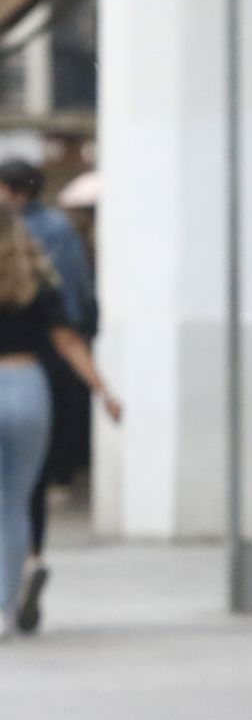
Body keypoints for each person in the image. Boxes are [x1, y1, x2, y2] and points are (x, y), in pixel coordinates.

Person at [0, 200, 120, 639]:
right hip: (28, 385)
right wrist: (103, 391)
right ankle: (6, 606)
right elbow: (68, 341)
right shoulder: (37, 282)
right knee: (15, 503)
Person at [0, 160, 98, 601]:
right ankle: (28, 562)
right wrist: (100, 386)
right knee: (24, 490)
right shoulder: (53, 238)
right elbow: (76, 307)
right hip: (36, 373)